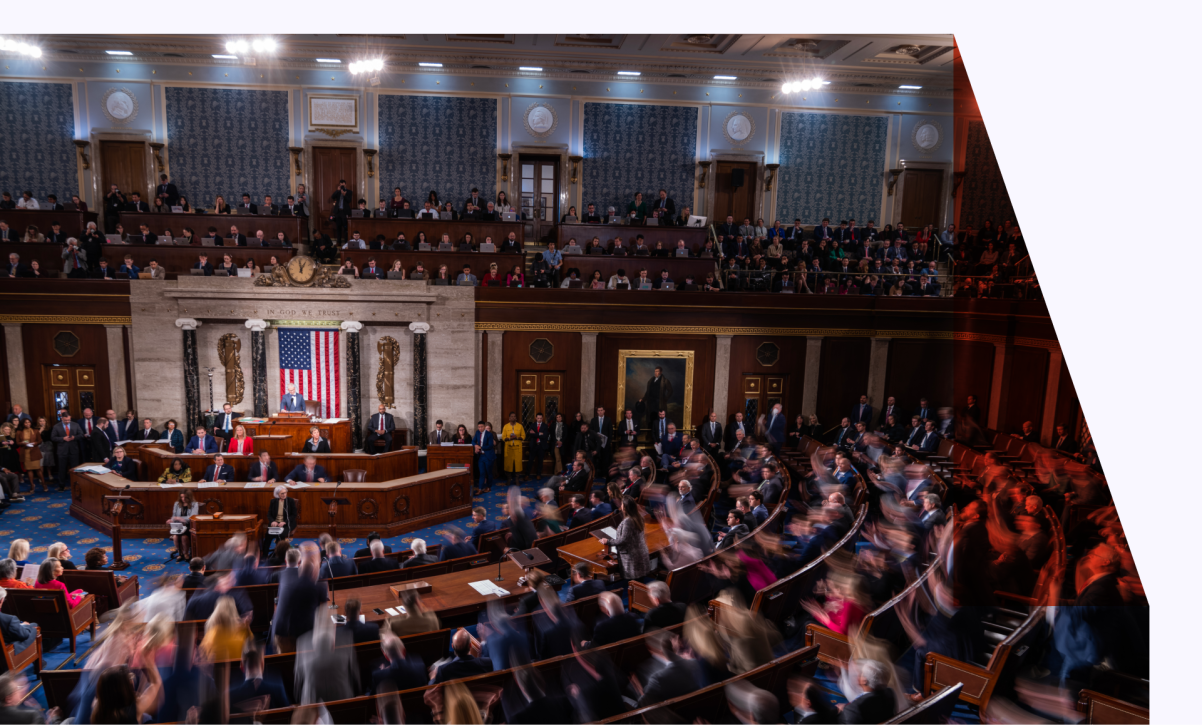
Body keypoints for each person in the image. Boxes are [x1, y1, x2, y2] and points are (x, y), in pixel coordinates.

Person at [598, 497, 652, 580]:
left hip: (631, 556)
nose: (621, 506)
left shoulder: (628, 521)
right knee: (640, 581)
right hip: (639, 552)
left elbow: (623, 540)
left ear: (625, 507)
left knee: (633, 583)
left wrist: (607, 541)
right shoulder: (639, 517)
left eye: (622, 504)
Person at [229, 646, 291, 713]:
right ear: (262, 663)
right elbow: (288, 713)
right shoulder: (278, 690)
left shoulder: (230, 695)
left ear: (241, 666)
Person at [200, 594, 250, 662]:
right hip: (238, 670)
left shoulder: (211, 634)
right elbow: (251, 650)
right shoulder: (242, 632)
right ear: (234, 610)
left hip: (217, 671)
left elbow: (203, 655)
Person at [50, 414, 81, 491]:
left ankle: (76, 485)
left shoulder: (76, 425)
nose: (67, 421)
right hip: (62, 451)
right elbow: (53, 437)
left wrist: (74, 437)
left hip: (73, 450)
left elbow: (81, 435)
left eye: (68, 420)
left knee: (75, 469)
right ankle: (61, 486)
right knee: (62, 469)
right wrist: (62, 438)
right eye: (65, 420)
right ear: (62, 419)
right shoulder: (56, 426)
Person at [168, 490, 199, 560]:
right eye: (181, 497)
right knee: (175, 537)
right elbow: (174, 516)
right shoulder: (176, 504)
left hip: (189, 526)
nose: (183, 499)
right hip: (179, 525)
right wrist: (171, 520)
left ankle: (186, 553)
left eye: (185, 497)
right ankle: (180, 553)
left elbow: (192, 517)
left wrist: (179, 518)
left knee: (184, 537)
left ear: (189, 497)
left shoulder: (195, 504)